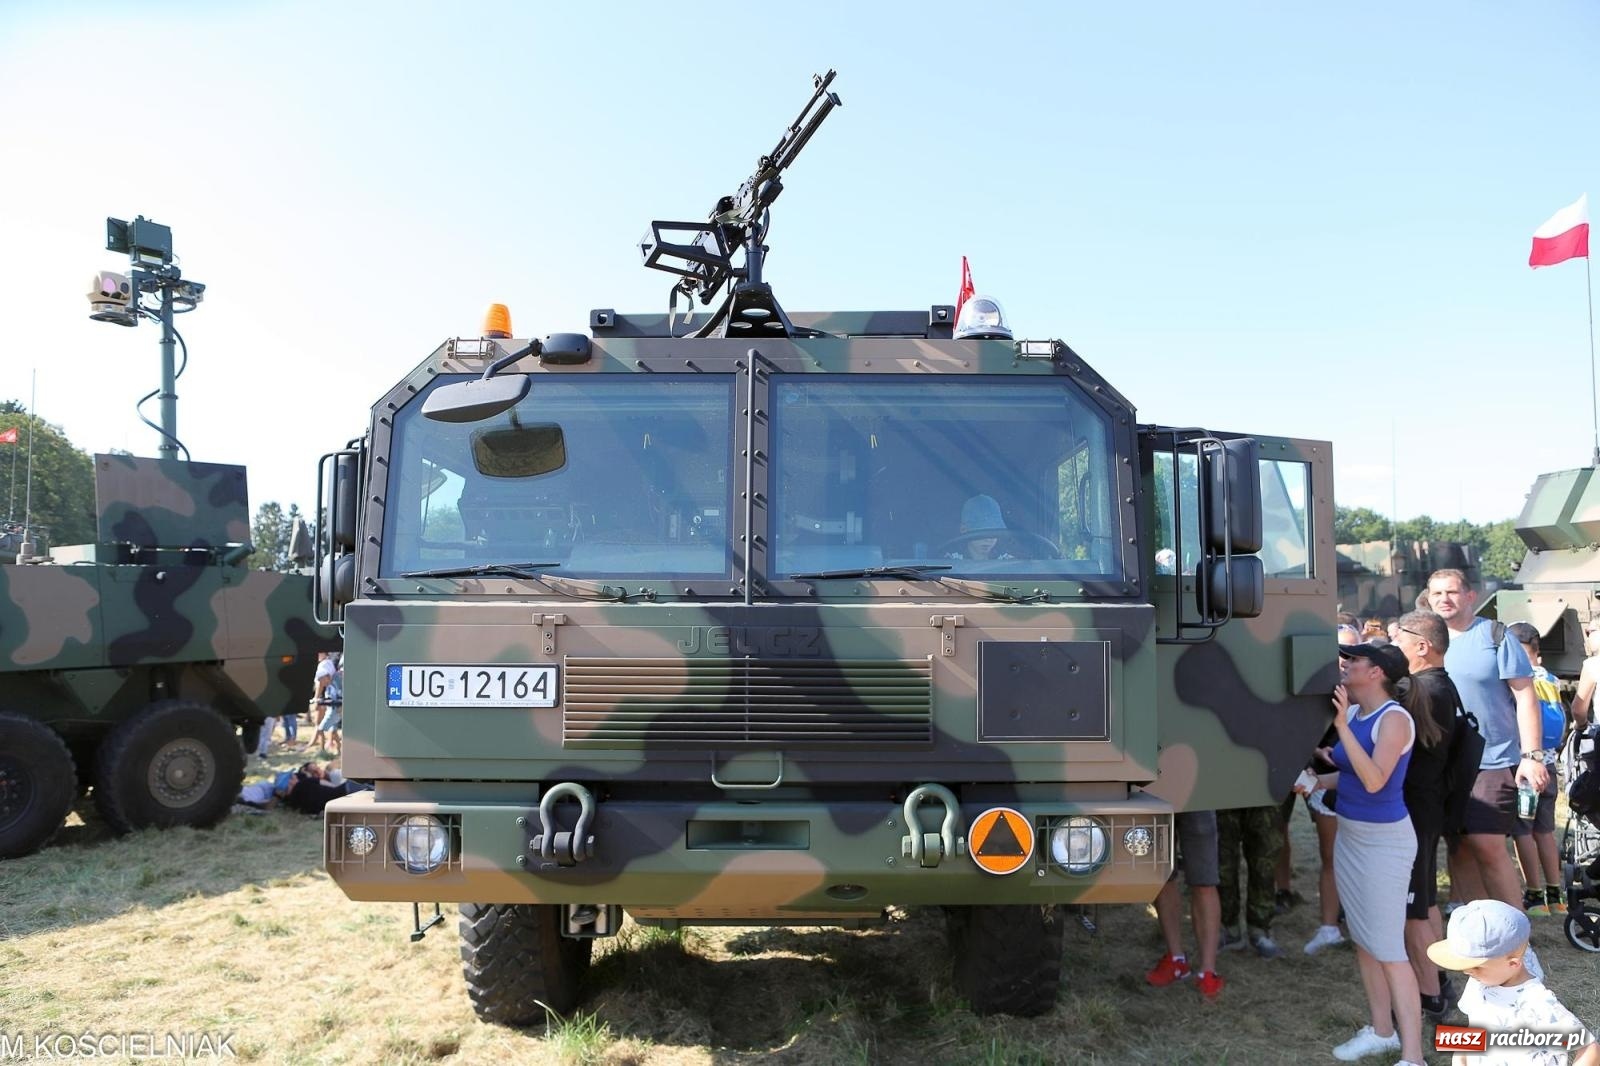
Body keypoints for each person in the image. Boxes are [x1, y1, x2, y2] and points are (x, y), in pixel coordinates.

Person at [1299, 641, 1425, 1065]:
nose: (1345, 665)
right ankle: (1382, 1032)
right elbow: (1351, 776)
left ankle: (1413, 1056)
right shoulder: (1356, 714)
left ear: (1377, 673)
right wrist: (1319, 781)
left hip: (1385, 844)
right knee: (1366, 942)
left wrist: (1341, 728)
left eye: (1354, 660)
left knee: (1389, 950)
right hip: (1353, 836)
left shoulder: (1394, 720)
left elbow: (1375, 781)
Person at [1427, 569, 1549, 912]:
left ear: (1470, 596)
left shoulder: (1495, 635)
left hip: (1493, 760)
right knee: (1458, 846)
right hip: (1446, 763)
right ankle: (1481, 930)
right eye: (1436, 594)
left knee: (1487, 845)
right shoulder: (1427, 641)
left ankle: (1518, 935)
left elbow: (1526, 697)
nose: (1443, 600)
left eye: (1451, 592)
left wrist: (1532, 755)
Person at [1390, 609, 1459, 1020]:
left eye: (1401, 638)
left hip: (1415, 811)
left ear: (1422, 645)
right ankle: (1440, 980)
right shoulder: (1436, 686)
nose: (1395, 646)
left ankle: (1431, 999)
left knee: (1413, 910)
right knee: (1427, 902)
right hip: (1426, 808)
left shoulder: (1426, 692)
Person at [1428, 899, 1598, 1066]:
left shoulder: (1536, 1003)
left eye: (1476, 966)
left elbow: (1589, 1049)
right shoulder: (1477, 983)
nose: (1467, 971)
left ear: (1513, 964)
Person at [1507, 622, 1566, 918]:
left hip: (1525, 766)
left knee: (1522, 831)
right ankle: (1556, 895)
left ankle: (1534, 895)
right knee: (1545, 831)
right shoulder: (1550, 678)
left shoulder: (1517, 680)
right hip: (1549, 764)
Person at [1145, 810, 1226, 999]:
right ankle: (1176, 960)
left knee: (1204, 881)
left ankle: (1208, 971)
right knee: (1162, 875)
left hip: (1199, 799)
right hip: (1157, 795)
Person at [1216, 804, 1284, 958]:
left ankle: (1260, 929)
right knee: (1223, 864)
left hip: (1263, 796)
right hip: (1222, 796)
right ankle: (1229, 928)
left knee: (1264, 864)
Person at [952, 494, 1011, 561]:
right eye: (982, 532)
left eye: (994, 533)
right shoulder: (949, 562)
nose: (988, 539)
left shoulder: (1007, 561)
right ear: (964, 530)